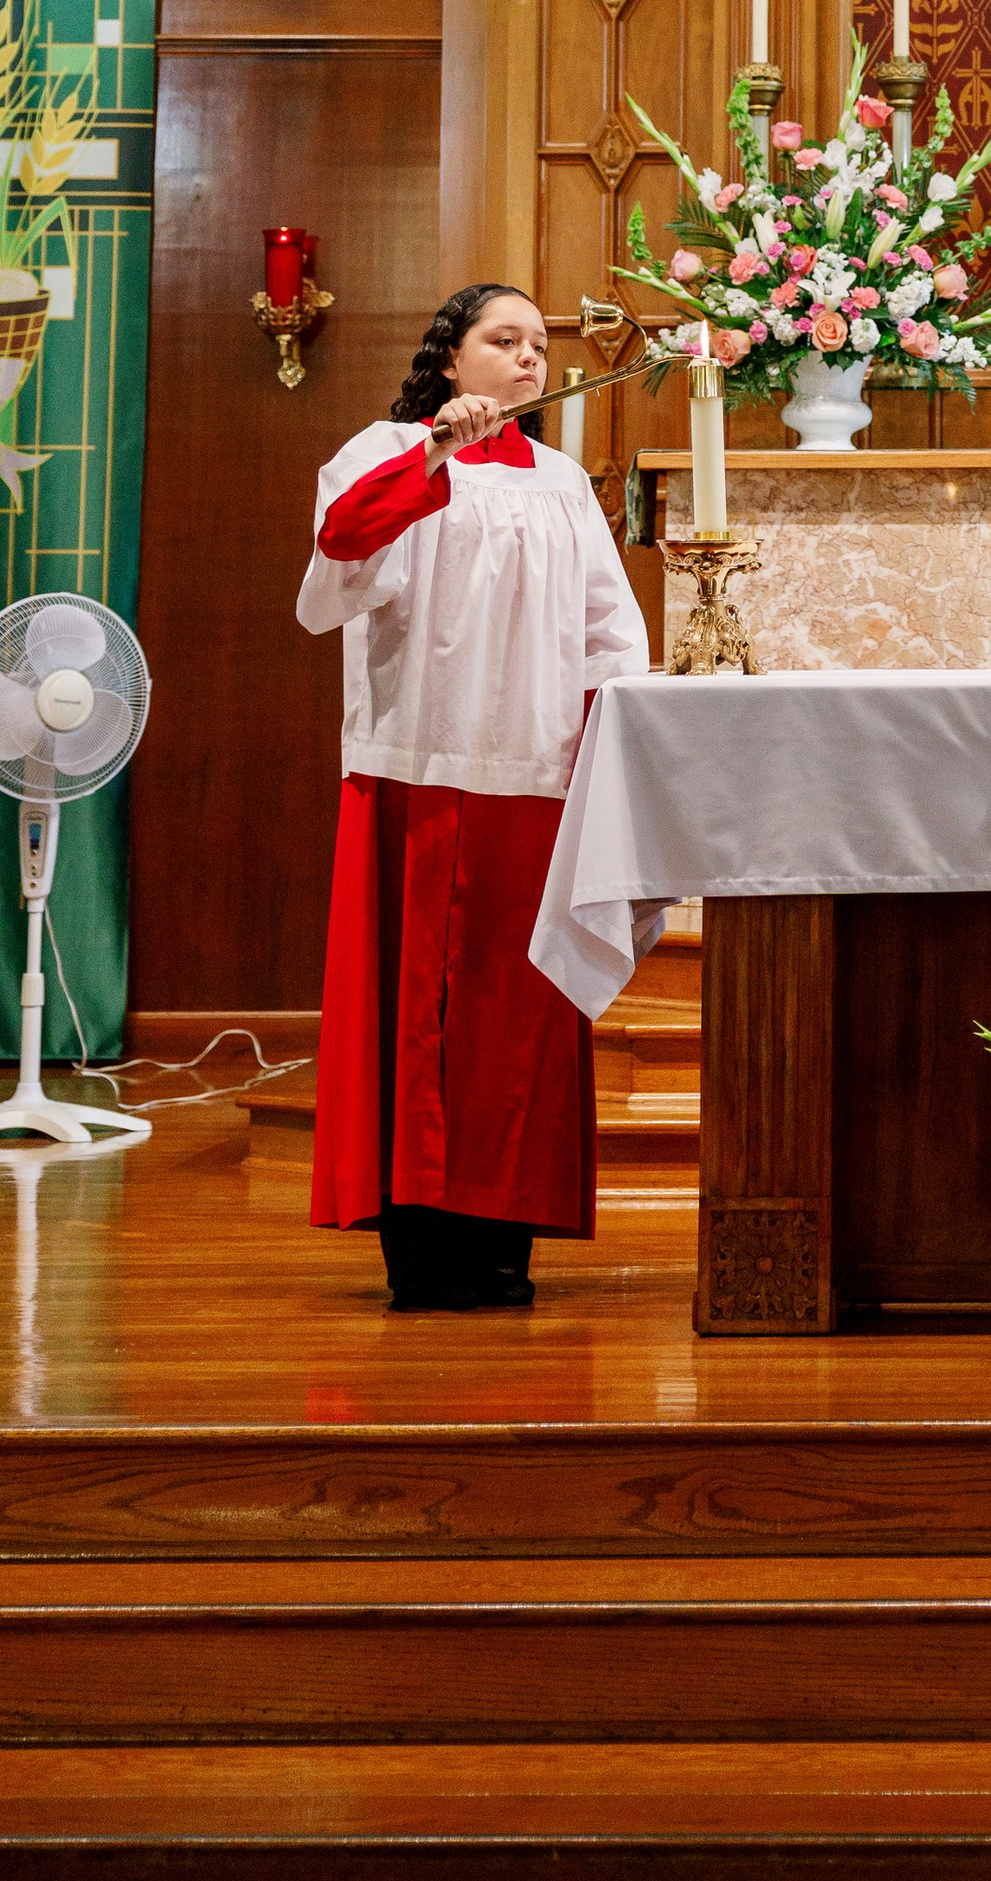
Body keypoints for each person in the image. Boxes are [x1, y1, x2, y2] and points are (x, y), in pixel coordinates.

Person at [297, 283, 648, 1310]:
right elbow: (343, 548)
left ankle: (501, 1241)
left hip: (535, 773)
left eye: (539, 343)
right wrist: (436, 452)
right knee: (416, 1016)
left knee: (512, 1026)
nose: (529, 357)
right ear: (451, 358)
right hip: (417, 764)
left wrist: (607, 750)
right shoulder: (385, 450)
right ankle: (418, 1246)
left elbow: (608, 631)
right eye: (505, 339)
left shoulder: (562, 481)